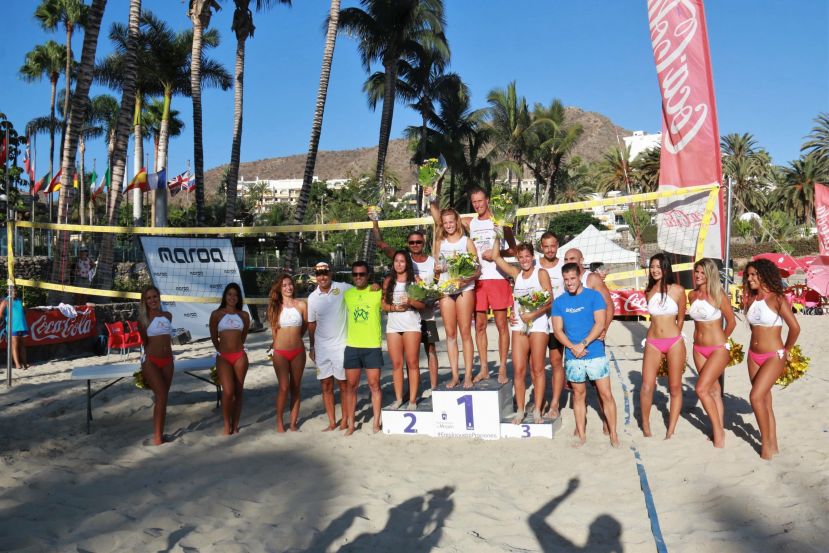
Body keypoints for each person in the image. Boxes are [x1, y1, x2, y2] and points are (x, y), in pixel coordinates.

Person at [551, 263, 619, 447]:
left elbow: (600, 323)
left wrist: (583, 344)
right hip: (573, 355)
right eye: (566, 280)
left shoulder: (594, 296)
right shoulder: (559, 302)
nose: (569, 283)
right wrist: (573, 347)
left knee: (606, 394)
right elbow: (557, 331)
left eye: (572, 278)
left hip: (594, 351)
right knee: (578, 395)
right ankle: (581, 435)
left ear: (579, 277)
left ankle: (613, 434)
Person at [372, 219, 440, 395]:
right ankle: (411, 392)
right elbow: (381, 244)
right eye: (412, 242)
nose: (415, 245)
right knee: (409, 360)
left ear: (423, 243)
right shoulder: (402, 259)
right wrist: (374, 221)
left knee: (431, 349)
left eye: (418, 241)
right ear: (407, 244)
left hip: (427, 313)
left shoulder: (432, 262)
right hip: (407, 316)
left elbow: (438, 285)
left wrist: (435, 298)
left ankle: (434, 388)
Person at [743, 259, 800, 460]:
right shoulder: (750, 300)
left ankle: (765, 445)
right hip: (753, 356)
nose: (749, 279)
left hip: (774, 355)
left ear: (764, 275)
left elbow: (795, 327)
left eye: (753, 275)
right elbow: (753, 328)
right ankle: (773, 443)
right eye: (748, 275)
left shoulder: (777, 299)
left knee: (755, 397)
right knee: (765, 400)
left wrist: (786, 350)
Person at [491, 243, 552, 423]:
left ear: (533, 257)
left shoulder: (541, 273)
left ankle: (538, 411)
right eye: (521, 257)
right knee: (518, 370)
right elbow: (495, 257)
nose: (524, 260)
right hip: (518, 325)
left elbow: (550, 302)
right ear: (517, 258)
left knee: (538, 369)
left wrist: (533, 314)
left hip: (538, 324)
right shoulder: (516, 274)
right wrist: (498, 229)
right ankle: (520, 410)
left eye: (527, 256)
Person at [427, 200, 479, 388]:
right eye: (445, 222)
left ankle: (467, 376)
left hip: (464, 289)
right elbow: (437, 269)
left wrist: (465, 280)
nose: (448, 225)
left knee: (465, 333)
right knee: (450, 334)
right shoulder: (440, 243)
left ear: (457, 222)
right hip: (446, 289)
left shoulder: (467, 242)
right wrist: (438, 270)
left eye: (451, 221)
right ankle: (455, 375)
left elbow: (477, 269)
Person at [688, 259, 737, 448]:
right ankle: (719, 428)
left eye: (702, 272)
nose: (699, 275)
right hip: (698, 349)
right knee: (713, 391)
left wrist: (723, 341)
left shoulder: (718, 295)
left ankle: (718, 432)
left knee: (700, 389)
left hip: (717, 348)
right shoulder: (692, 295)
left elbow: (731, 321)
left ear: (710, 274)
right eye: (696, 272)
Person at [641, 253, 686, 439]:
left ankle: (671, 429)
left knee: (674, 387)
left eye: (658, 266)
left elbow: (681, 317)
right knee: (646, 386)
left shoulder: (678, 290)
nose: (655, 270)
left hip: (674, 341)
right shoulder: (648, 291)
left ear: (666, 268)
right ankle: (645, 424)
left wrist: (678, 337)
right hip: (653, 341)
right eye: (652, 266)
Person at [307, 262, 351, 431]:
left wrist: (375, 286)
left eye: (325, 272)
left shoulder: (343, 288)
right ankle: (332, 422)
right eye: (319, 273)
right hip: (322, 347)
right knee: (326, 385)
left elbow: (362, 287)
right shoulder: (312, 297)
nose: (322, 276)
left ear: (331, 273)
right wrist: (312, 347)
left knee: (343, 385)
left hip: (341, 346)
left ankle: (345, 419)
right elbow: (311, 324)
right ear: (315, 276)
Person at [343, 261, 384, 434]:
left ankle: (376, 421)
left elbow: (393, 284)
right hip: (352, 346)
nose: (358, 277)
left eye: (362, 274)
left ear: (368, 275)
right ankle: (352, 424)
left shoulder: (377, 291)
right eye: (355, 274)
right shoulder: (347, 294)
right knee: (351, 386)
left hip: (372, 345)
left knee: (374, 385)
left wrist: (380, 284)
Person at [382, 251, 426, 410]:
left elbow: (423, 305)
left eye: (402, 261)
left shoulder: (415, 280)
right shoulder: (388, 280)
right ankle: (399, 399)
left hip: (411, 323)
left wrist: (410, 302)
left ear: (407, 263)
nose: (398, 264)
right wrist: (394, 307)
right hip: (393, 324)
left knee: (412, 362)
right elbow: (383, 305)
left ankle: (413, 400)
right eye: (396, 261)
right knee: (396, 364)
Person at [209, 282, 251, 435]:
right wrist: (221, 350)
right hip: (224, 357)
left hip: (240, 356)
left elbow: (243, 336)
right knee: (228, 391)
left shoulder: (244, 315)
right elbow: (214, 336)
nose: (232, 297)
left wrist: (237, 347)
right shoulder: (217, 314)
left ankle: (235, 425)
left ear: (239, 298)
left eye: (235, 295)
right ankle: (227, 425)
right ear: (225, 296)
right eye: (229, 294)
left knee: (238, 392)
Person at [268, 274, 308, 433]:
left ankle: (292, 423)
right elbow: (274, 331)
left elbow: (304, 326)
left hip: (298, 351)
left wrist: (296, 338)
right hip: (280, 352)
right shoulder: (275, 307)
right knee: (284, 387)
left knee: (296, 387)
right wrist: (275, 347)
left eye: (290, 284)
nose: (288, 287)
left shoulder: (302, 305)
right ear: (279, 288)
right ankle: (279, 421)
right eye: (284, 285)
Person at [136, 286, 174, 445]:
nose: (152, 300)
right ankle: (157, 438)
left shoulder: (168, 315)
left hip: (168, 361)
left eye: (155, 297)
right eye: (149, 298)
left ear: (159, 297)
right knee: (161, 396)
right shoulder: (143, 321)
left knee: (163, 399)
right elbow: (145, 343)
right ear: (144, 301)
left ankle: (160, 434)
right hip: (151, 361)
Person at [538, 232, 566, 418]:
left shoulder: (564, 266)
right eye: (546, 246)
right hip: (538, 323)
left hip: (557, 323)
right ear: (541, 247)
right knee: (537, 365)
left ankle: (555, 404)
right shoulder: (533, 265)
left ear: (557, 246)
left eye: (553, 245)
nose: (549, 249)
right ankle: (540, 400)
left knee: (556, 362)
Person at [0, 286, 29, 370]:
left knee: (23, 346)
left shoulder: (19, 300)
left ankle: (24, 363)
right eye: (13, 291)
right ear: (8, 292)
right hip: (12, 327)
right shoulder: (5, 301)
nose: (15, 293)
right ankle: (17, 364)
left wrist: (24, 309)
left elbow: (24, 312)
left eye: (15, 291)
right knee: (14, 346)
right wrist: (5, 320)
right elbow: (0, 313)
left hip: (23, 326)